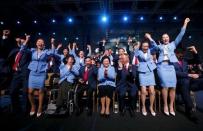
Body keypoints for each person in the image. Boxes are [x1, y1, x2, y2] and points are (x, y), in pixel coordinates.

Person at [145, 18, 190, 116]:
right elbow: (153, 44)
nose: (165, 38)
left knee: (173, 87)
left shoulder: (173, 44)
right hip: (162, 67)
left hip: (171, 66)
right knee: (165, 86)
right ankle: (165, 105)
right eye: (163, 37)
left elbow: (181, 35)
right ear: (162, 39)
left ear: (169, 38)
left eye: (167, 37)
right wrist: (149, 38)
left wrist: (185, 23)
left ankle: (170, 106)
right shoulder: (159, 47)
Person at [27, 38, 59, 117]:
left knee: (41, 91)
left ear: (43, 44)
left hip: (41, 73)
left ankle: (40, 107)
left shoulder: (46, 52)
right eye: (38, 41)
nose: (40, 43)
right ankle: (33, 106)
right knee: (30, 91)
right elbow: (23, 49)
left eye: (41, 42)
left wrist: (52, 43)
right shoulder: (32, 50)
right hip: (33, 72)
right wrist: (27, 39)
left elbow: (53, 52)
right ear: (36, 44)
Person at [174, 46, 203, 122]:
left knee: (200, 80)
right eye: (179, 53)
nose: (181, 55)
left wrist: (195, 51)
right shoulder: (171, 61)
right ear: (175, 53)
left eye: (182, 53)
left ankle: (189, 107)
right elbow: (175, 73)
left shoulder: (185, 60)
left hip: (188, 81)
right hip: (177, 83)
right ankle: (189, 110)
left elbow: (198, 61)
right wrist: (188, 75)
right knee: (185, 82)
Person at [9, 35, 31, 115]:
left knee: (25, 92)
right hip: (16, 73)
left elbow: (24, 49)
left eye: (23, 40)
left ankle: (25, 110)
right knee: (12, 91)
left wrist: (26, 41)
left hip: (25, 73)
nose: (22, 40)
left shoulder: (28, 51)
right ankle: (15, 109)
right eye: (21, 40)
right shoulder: (15, 50)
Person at [134, 39, 157, 116]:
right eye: (144, 46)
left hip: (150, 71)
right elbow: (135, 52)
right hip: (142, 72)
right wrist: (139, 44)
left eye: (147, 46)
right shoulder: (139, 52)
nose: (146, 47)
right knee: (143, 91)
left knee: (152, 91)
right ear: (142, 46)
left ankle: (151, 107)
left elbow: (156, 47)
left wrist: (150, 38)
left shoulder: (150, 50)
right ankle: (143, 107)